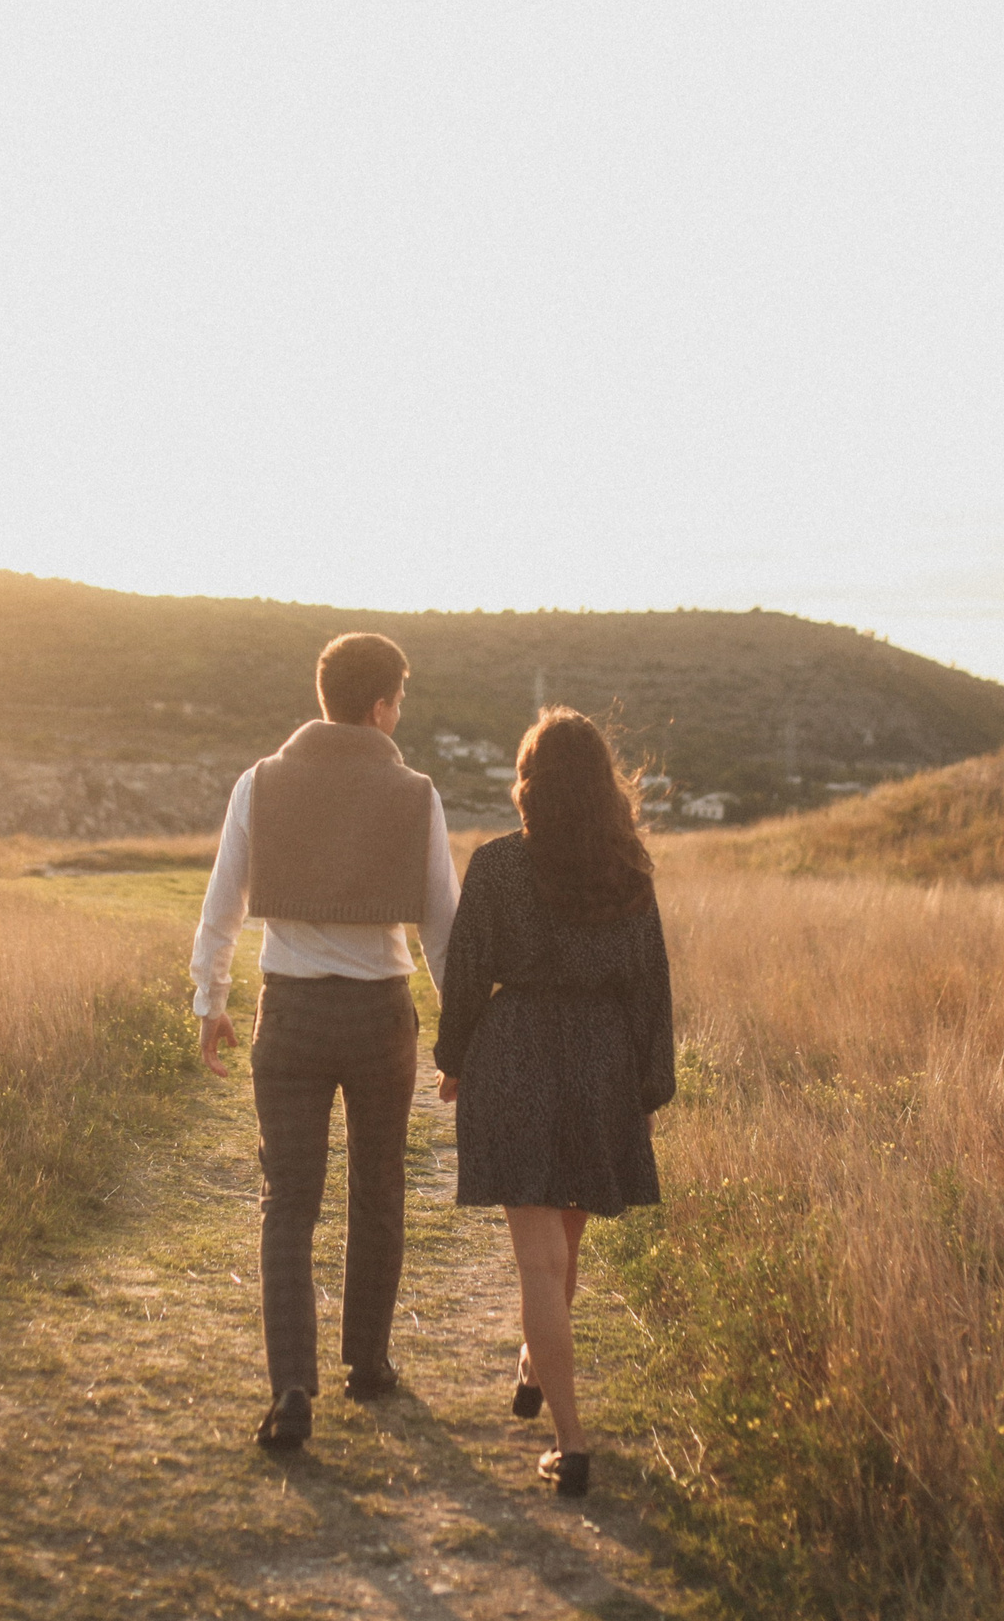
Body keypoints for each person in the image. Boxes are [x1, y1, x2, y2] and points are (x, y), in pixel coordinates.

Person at [191, 632, 460, 1451]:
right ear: (381, 707)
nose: (400, 717)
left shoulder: (260, 782)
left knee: (288, 1204)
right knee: (378, 1191)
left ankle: (290, 1391)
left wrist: (212, 996)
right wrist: (464, 1035)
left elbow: (223, 898)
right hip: (381, 1016)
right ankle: (368, 1365)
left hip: (293, 1013)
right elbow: (443, 925)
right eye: (401, 704)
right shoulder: (416, 792)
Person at [431, 706, 674, 1498]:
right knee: (561, 1254)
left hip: (517, 1055)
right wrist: (645, 1090)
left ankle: (569, 1441)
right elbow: (650, 992)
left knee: (541, 1261)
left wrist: (454, 1059)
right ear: (605, 787)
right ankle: (544, 1379)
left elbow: (466, 972)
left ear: (529, 783)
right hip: (600, 1064)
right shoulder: (627, 873)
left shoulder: (498, 865)